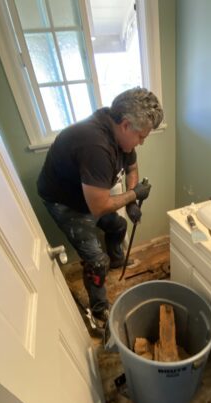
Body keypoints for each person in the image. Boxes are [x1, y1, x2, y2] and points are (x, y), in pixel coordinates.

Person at [37, 87, 164, 324]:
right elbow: (98, 207)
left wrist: (131, 202)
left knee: (117, 227)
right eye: (142, 136)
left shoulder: (122, 134)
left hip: (91, 197)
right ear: (126, 125)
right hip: (64, 201)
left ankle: (116, 260)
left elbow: (132, 168)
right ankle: (99, 311)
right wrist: (133, 194)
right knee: (96, 261)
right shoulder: (95, 145)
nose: (142, 142)